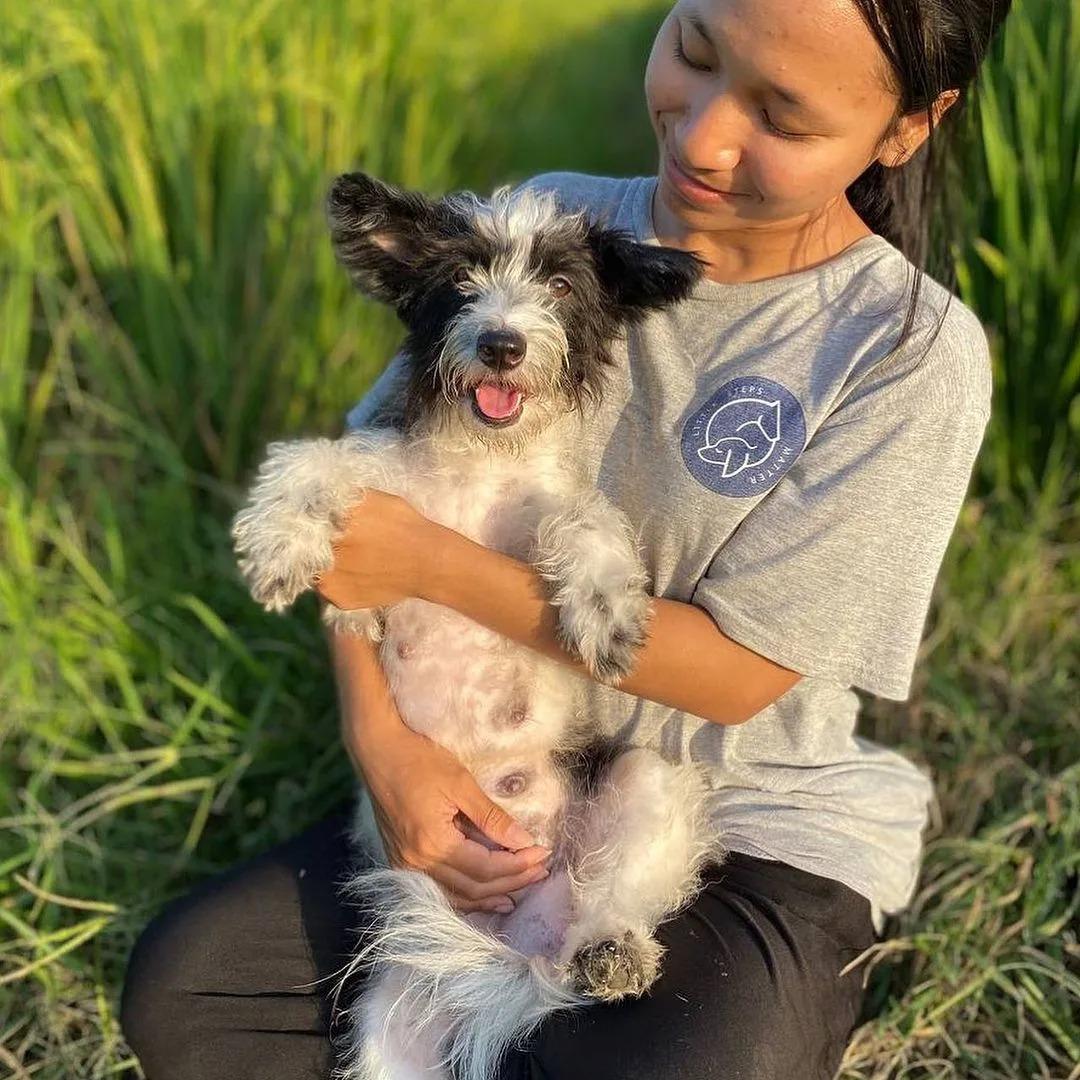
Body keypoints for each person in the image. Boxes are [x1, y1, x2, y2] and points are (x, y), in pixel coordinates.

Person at [119, 0, 1013, 1077]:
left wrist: (434, 566)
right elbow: (361, 513)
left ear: (911, 125)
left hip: (754, 816)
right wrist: (385, 752)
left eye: (782, 114)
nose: (703, 135)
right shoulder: (543, 224)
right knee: (186, 991)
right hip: (490, 769)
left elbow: (736, 680)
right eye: (693, 50)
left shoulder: (905, 351)